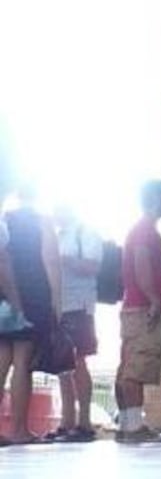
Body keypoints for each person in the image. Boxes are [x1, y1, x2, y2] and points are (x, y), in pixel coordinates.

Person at [0, 187, 61, 445]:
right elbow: (51, 262)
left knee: (2, 361)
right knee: (23, 363)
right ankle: (18, 429)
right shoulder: (41, 221)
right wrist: (57, 302)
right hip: (31, 294)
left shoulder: (6, 220)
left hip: (3, 294)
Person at [115, 180, 161, 444]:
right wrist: (154, 300)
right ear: (156, 198)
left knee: (129, 366)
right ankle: (135, 428)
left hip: (134, 307)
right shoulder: (145, 232)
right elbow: (141, 263)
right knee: (136, 368)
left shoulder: (142, 230)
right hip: (142, 307)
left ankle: (128, 426)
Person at [49, 205, 104, 443]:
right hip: (59, 306)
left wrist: (65, 261)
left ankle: (84, 422)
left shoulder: (86, 232)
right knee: (63, 365)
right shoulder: (56, 236)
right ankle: (67, 421)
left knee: (79, 361)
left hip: (80, 305)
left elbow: (93, 266)